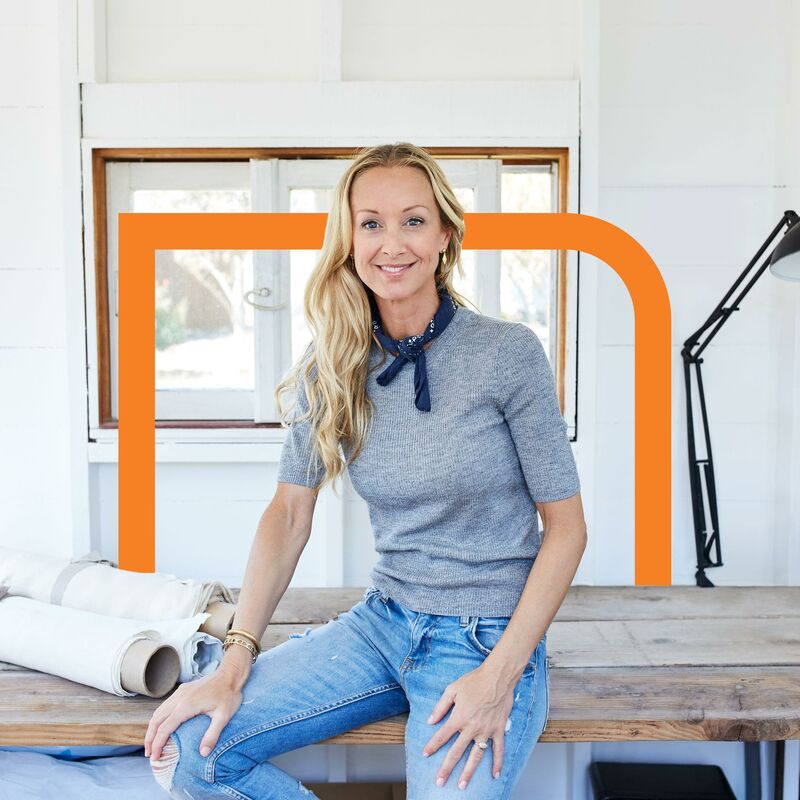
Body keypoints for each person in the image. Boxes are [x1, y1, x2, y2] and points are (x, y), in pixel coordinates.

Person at [145, 142, 587, 799]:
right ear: (348, 241)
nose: (392, 242)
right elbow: (289, 513)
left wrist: (500, 676)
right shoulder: (334, 361)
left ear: (444, 234)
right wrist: (236, 656)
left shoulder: (505, 353)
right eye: (371, 223)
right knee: (189, 755)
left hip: (485, 637)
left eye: (413, 220)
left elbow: (566, 529)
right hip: (383, 623)